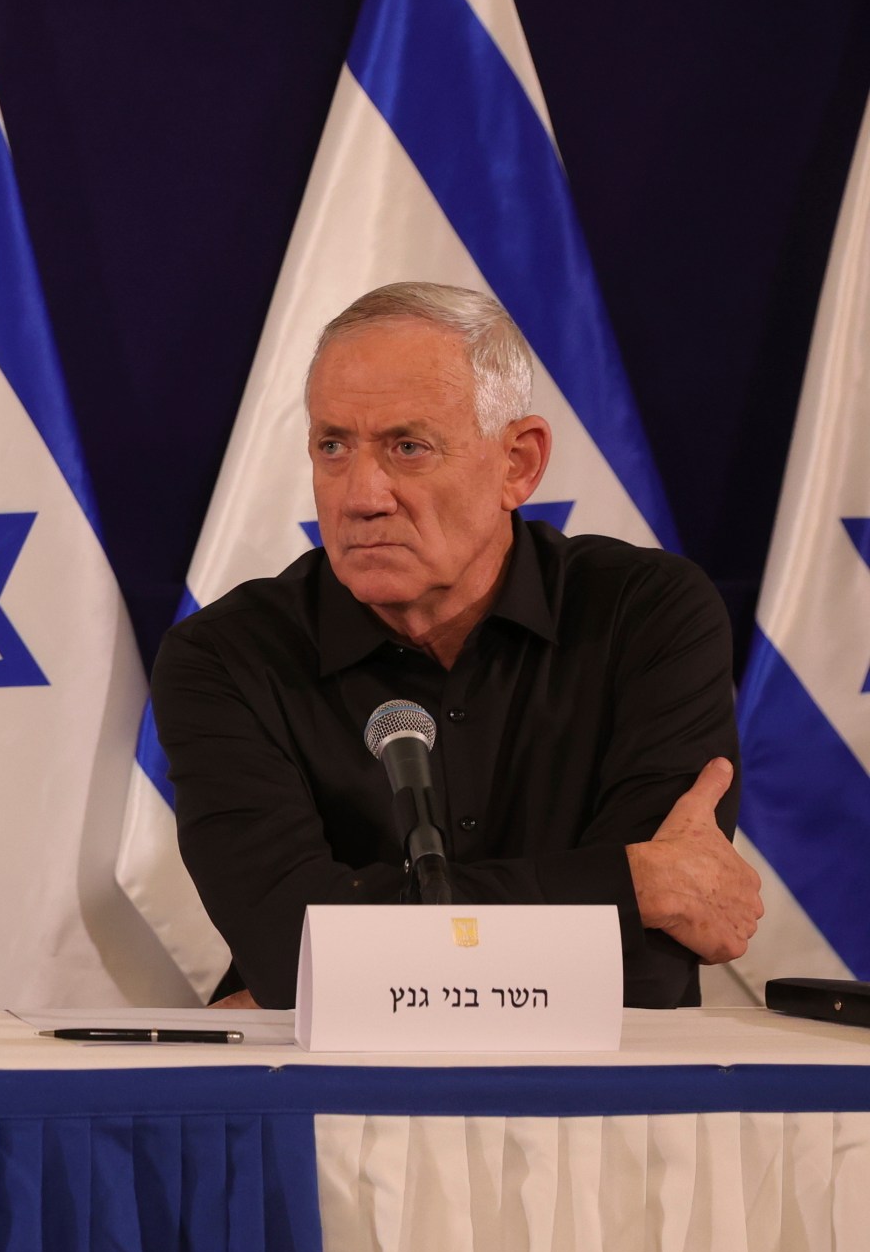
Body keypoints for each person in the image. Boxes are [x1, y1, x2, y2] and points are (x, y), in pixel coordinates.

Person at [151, 283, 761, 1009]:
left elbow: (646, 964)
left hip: (601, 1100)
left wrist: (368, 957)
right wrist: (632, 883)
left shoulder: (647, 617)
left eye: (407, 447)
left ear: (518, 464)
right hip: (341, 1103)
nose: (360, 495)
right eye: (333, 446)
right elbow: (292, 950)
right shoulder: (227, 658)